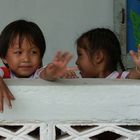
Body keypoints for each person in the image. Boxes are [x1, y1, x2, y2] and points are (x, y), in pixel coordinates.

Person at [0, 19, 72, 112]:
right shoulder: (4, 73)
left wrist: (53, 72)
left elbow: (46, 74)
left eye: (33, 52)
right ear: (4, 57)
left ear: (40, 56)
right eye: (18, 52)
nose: (26, 59)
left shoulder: (38, 74)